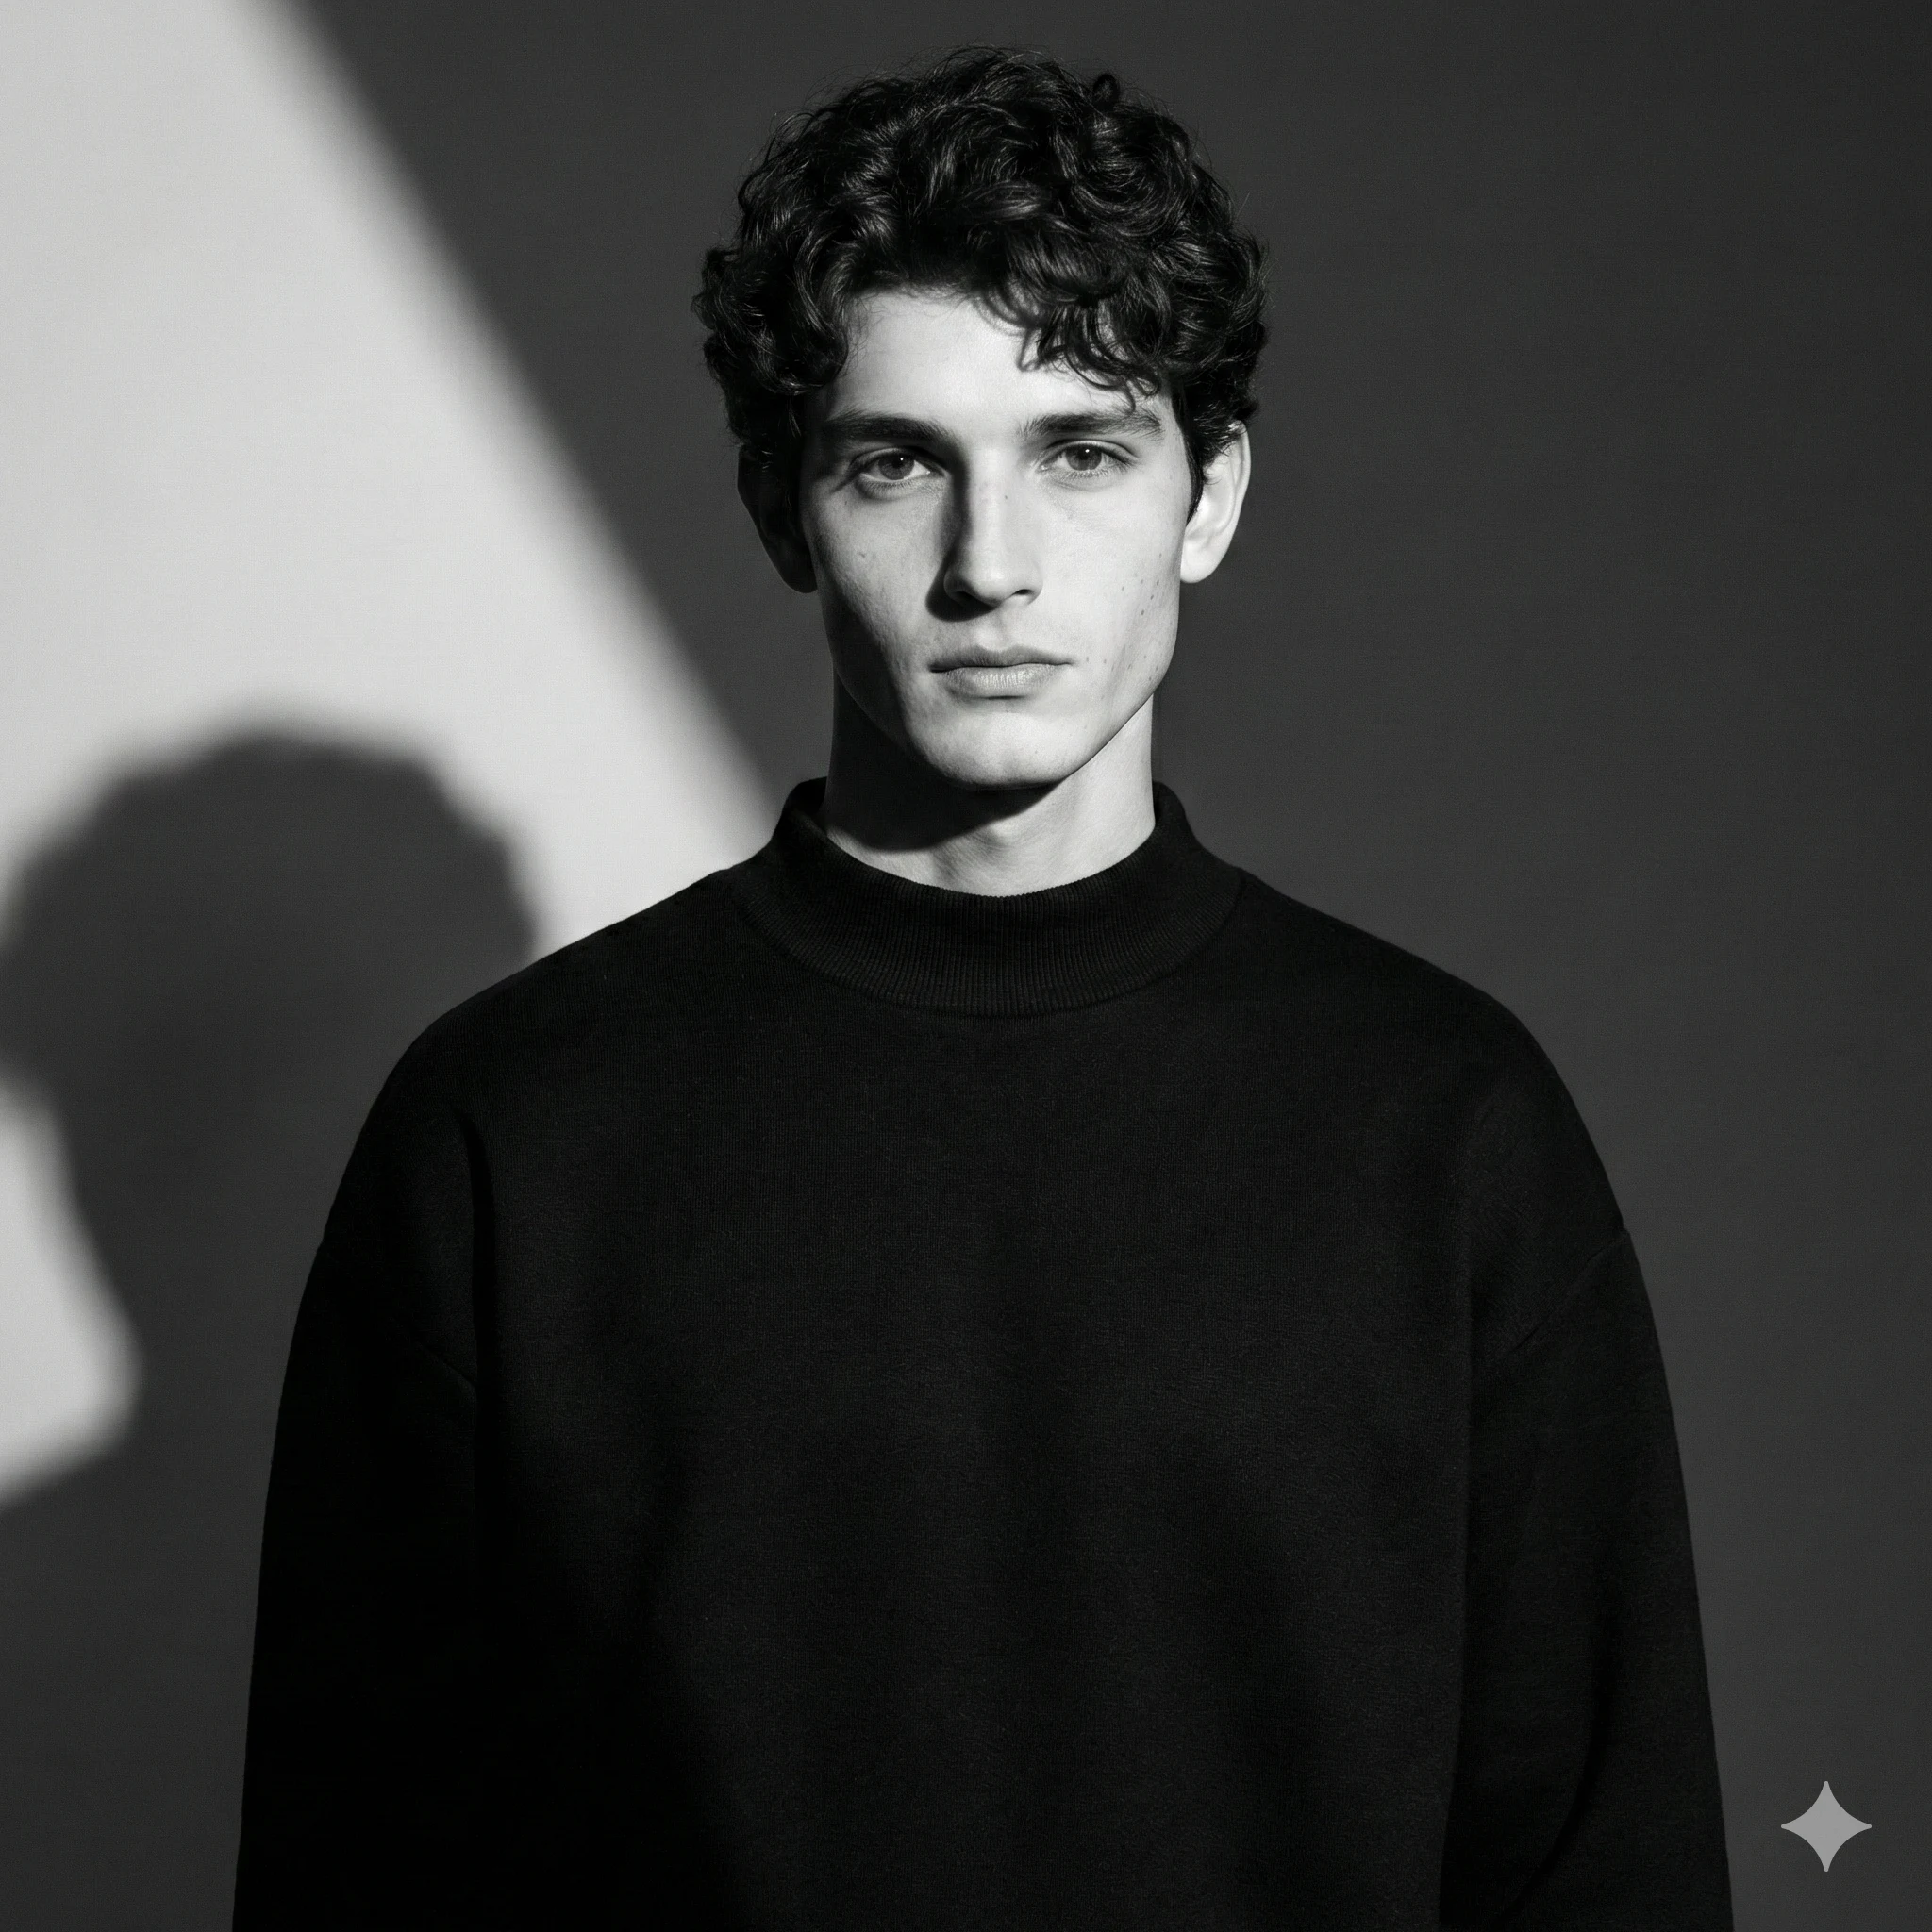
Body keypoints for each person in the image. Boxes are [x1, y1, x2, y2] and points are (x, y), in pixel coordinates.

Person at [234, 46, 1732, 1928]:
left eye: (1081, 453)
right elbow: (353, 1878)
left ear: (1210, 495)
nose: (988, 567)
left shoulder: (1443, 1127)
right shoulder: (513, 1134)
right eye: (894, 462)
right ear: (788, 508)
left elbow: (1605, 1874)